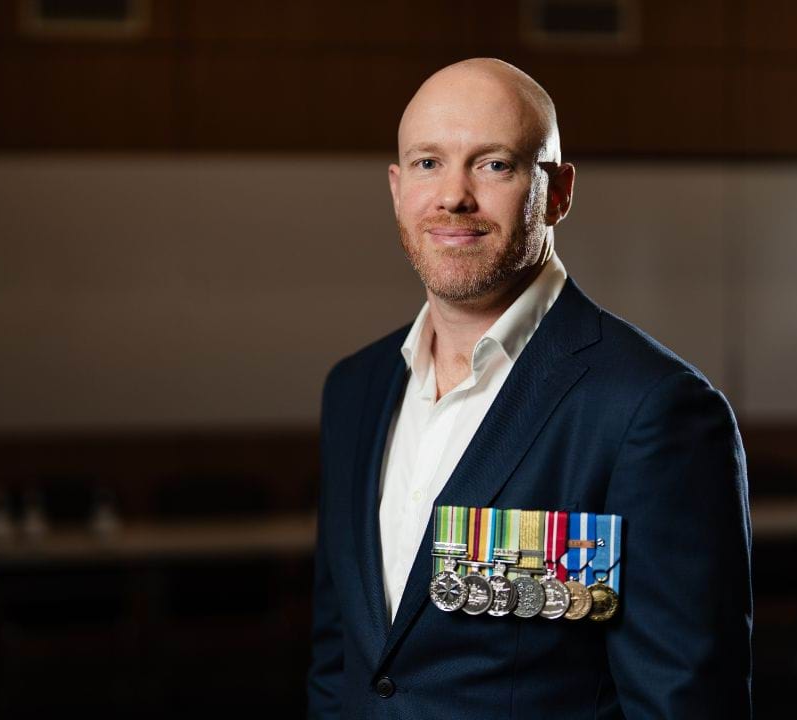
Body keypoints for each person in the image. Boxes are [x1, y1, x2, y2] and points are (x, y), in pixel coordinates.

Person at [307, 58, 752, 718]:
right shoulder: (355, 390)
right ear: (397, 188)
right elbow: (341, 662)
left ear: (560, 191)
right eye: (428, 163)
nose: (454, 195)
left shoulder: (649, 410)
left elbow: (684, 704)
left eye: (494, 164)